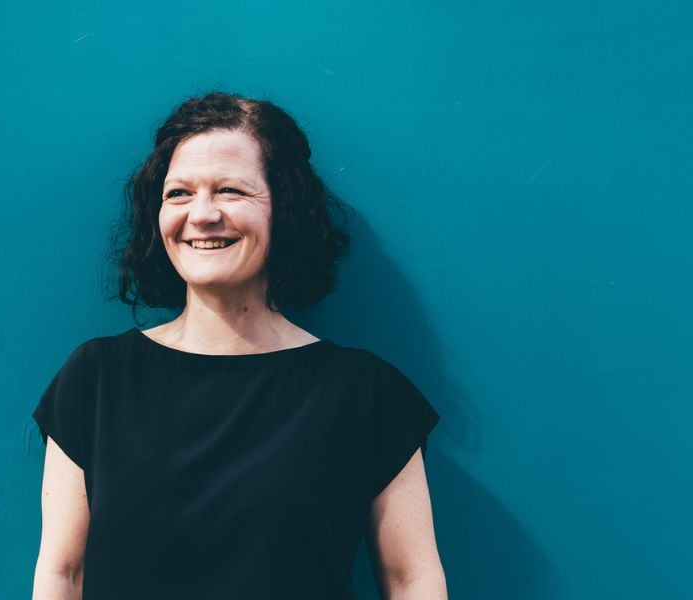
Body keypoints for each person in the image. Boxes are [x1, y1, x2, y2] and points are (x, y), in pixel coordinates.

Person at [31, 91, 447, 599]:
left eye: (230, 190)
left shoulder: (364, 393)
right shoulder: (96, 379)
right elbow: (63, 573)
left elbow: (412, 580)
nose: (201, 214)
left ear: (285, 209)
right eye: (179, 193)